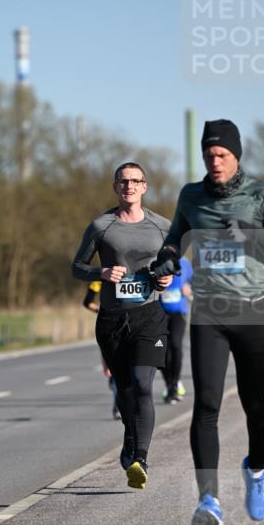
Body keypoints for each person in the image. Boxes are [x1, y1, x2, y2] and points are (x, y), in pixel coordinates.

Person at [163, 119, 264, 525]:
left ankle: (257, 470)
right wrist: (168, 256)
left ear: (236, 155)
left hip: (252, 312)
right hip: (209, 312)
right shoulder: (191, 196)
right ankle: (208, 500)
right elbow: (176, 238)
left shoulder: (262, 194)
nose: (215, 161)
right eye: (209, 154)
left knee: (255, 406)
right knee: (206, 404)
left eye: (222, 154)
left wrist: (259, 233)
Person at [72, 162, 174, 489]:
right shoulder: (102, 226)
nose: (129, 186)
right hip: (113, 320)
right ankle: (130, 441)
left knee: (144, 385)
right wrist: (100, 274)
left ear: (145, 186)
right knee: (125, 391)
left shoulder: (162, 226)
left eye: (135, 181)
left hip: (149, 316)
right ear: (115, 187)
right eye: (123, 181)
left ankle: (140, 458)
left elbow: (174, 266)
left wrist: (167, 278)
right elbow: (77, 266)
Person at [82, 281, 120, 420]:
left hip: (133, 323)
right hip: (109, 325)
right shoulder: (100, 277)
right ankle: (119, 406)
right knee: (115, 371)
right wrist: (102, 310)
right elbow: (87, 302)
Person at [159, 255, 193, 402]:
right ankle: (169, 384)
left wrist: (189, 289)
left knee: (175, 344)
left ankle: (175, 383)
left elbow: (194, 281)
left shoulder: (184, 262)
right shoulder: (157, 260)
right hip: (160, 313)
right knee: (162, 350)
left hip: (179, 312)